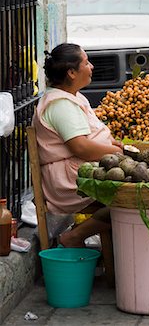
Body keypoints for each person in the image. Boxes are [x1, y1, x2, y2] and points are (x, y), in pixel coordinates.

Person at [32, 43, 123, 248]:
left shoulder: (73, 97)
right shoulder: (60, 105)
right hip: (70, 180)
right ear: (72, 72)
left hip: (84, 169)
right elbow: (81, 147)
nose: (91, 66)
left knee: (137, 192)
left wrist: (110, 144)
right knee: (132, 199)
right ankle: (75, 236)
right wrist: (117, 151)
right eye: (86, 62)